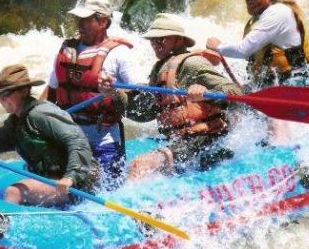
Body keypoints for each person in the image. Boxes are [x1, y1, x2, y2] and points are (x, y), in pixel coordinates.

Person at [99, 13, 242, 180]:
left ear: (178, 40)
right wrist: (114, 94)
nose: (155, 43)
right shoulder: (159, 69)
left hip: (207, 141)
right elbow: (146, 114)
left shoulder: (192, 63)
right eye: (153, 40)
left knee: (140, 165)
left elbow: (235, 94)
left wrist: (206, 95)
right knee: (139, 164)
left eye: (162, 39)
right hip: (185, 143)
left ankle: (131, 206)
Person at [0, 64, 97, 207]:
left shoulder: (41, 114)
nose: (1, 99)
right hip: (53, 179)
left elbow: (77, 141)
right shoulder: (15, 121)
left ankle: (2, 228)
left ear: (24, 91)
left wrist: (70, 177)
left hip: (77, 184)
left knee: (13, 192)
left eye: (6, 94)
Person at [40, 0, 136, 185]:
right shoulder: (68, 52)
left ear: (102, 21)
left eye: (86, 19)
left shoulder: (119, 54)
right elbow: (50, 93)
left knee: (107, 186)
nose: (80, 24)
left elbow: (135, 99)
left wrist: (113, 92)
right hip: (71, 134)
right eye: (78, 19)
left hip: (104, 136)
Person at [206, 0, 309, 90]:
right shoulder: (258, 19)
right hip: (269, 86)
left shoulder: (278, 12)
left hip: (295, 84)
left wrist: (218, 47)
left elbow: (243, 50)